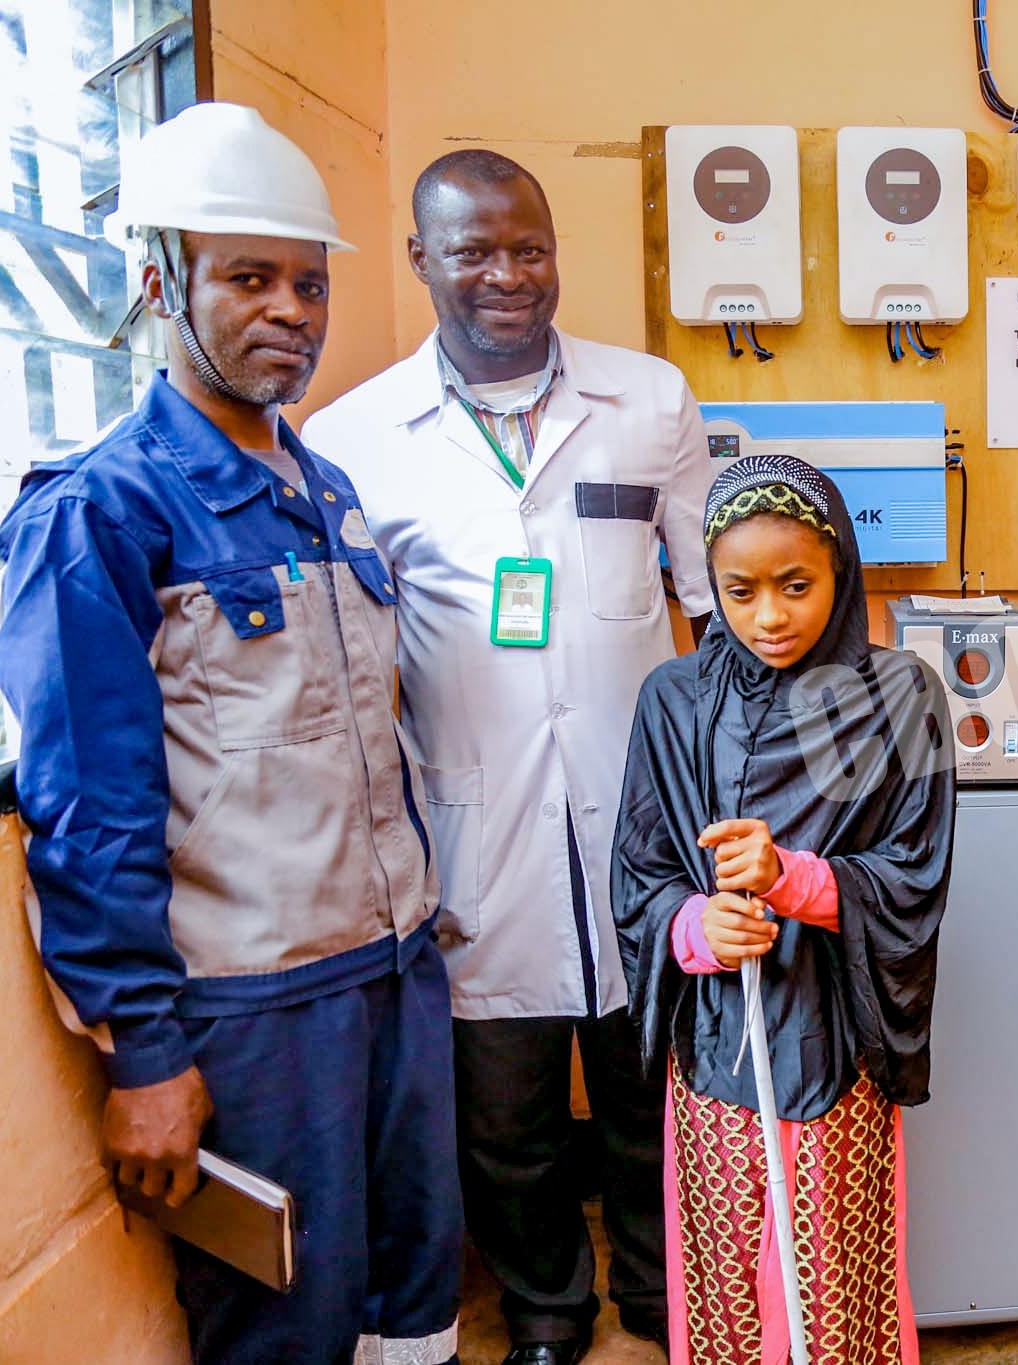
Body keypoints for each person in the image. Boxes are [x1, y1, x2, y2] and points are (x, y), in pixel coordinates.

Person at [0, 103, 460, 1363]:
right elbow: (89, 804)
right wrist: (145, 1052)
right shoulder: (100, 515)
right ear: (160, 283)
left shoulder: (325, 492)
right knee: (285, 1331)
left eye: (307, 282)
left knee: (414, 1308)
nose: (292, 311)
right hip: (256, 1018)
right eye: (247, 278)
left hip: (396, 975)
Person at [303, 150, 715, 1363]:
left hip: (645, 813)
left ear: (554, 252)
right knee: (507, 1111)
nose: (505, 275)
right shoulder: (355, 434)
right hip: (470, 821)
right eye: (472, 250)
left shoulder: (648, 399)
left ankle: (657, 1285)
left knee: (653, 1088)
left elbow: (708, 603)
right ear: (420, 259)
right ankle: (545, 1307)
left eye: (526, 247)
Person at [612, 455, 956, 1365]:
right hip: (722, 1043)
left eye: (797, 584)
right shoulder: (674, 701)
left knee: (830, 1281)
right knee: (728, 1273)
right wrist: (695, 928)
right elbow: (641, 875)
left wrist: (793, 878)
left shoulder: (902, 698)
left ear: (841, 570)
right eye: (740, 589)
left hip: (837, 1043)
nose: (769, 615)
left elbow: (916, 873)